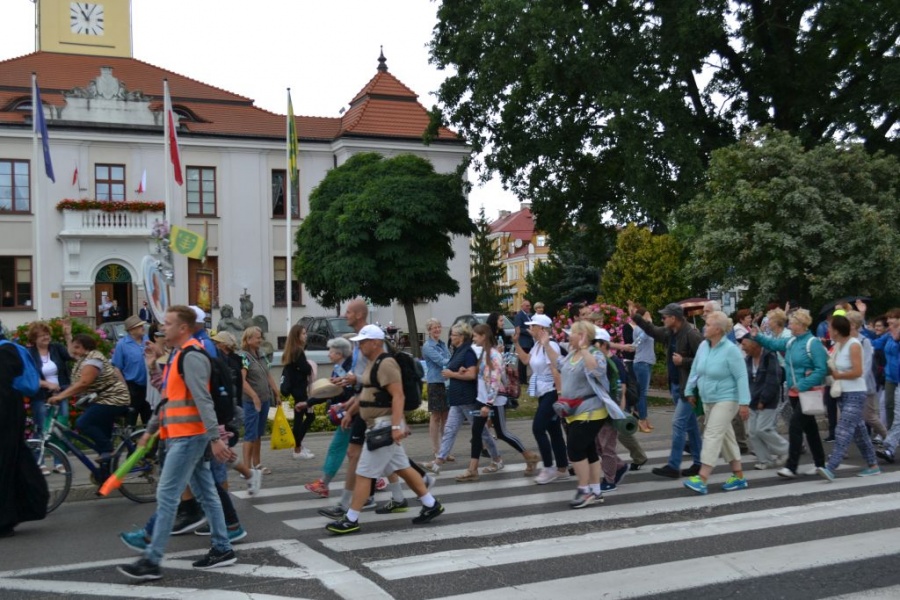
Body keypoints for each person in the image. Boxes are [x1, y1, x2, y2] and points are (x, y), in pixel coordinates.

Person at [117, 305, 236, 581]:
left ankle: (152, 560)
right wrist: (151, 429)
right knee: (206, 493)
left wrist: (214, 438)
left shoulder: (191, 356)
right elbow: (168, 398)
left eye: (168, 323)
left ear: (183, 328)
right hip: (182, 435)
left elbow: (203, 400)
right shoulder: (178, 355)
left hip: (188, 437)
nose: (162, 328)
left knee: (167, 495)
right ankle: (222, 547)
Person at [325, 325, 444, 534]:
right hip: (378, 424)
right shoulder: (374, 362)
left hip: (383, 426)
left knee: (363, 473)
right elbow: (369, 392)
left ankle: (351, 519)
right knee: (403, 467)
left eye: (363, 342)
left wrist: (397, 426)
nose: (359, 346)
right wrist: (351, 408)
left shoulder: (386, 363)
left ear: (376, 342)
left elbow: (398, 396)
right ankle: (430, 503)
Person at [750, 308, 829, 478]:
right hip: (794, 392)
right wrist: (757, 336)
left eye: (792, 323)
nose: (789, 326)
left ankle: (791, 466)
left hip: (807, 392)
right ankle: (820, 464)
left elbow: (821, 369)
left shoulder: (812, 343)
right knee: (811, 429)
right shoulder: (792, 341)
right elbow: (773, 344)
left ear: (801, 325)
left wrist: (803, 384)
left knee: (795, 426)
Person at [456, 324, 539, 481]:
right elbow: (483, 374)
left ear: (484, 337)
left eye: (476, 336)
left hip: (494, 401)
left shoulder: (494, 355)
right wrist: (465, 370)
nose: (473, 338)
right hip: (482, 399)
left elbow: (495, 381)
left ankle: (529, 455)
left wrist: (488, 404)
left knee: (502, 433)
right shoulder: (484, 353)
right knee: (476, 432)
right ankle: (473, 469)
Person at [631, 302, 704, 479]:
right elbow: (652, 330)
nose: (662, 319)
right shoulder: (670, 332)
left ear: (674, 318)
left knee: (678, 423)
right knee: (691, 426)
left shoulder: (692, 334)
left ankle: (673, 465)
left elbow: (704, 360)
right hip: (676, 385)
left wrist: (683, 361)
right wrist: (636, 317)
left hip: (689, 389)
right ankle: (699, 462)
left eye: (665, 316)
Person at [681, 311, 751, 495]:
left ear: (718, 329)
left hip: (727, 398)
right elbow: (695, 369)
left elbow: (741, 376)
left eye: (708, 324)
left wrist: (744, 403)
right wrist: (689, 390)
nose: (704, 327)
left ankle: (702, 477)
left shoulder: (731, 350)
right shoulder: (703, 346)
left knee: (712, 434)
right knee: (726, 438)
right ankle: (739, 476)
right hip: (708, 399)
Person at [48, 332, 131, 483]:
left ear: (86, 347)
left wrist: (61, 397)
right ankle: (105, 477)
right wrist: (60, 390)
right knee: (102, 439)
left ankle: (108, 449)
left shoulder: (94, 360)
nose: (74, 351)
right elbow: (76, 382)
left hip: (114, 399)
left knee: (83, 423)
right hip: (102, 399)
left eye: (77, 347)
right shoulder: (84, 359)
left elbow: (84, 383)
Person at [424, 322, 500, 475]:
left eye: (453, 335)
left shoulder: (467, 352)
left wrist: (452, 374)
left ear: (461, 337)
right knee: (450, 429)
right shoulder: (458, 351)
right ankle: (439, 461)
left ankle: (497, 458)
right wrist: (456, 372)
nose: (450, 337)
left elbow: (471, 374)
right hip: (457, 399)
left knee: (482, 432)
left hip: (467, 398)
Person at [548, 321, 608, 508]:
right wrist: (545, 345)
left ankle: (584, 490)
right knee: (588, 450)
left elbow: (597, 370)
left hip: (591, 411)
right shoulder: (572, 354)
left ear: (582, 336)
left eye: (571, 334)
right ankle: (596, 491)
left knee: (574, 449)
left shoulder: (595, 353)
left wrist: (584, 349)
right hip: (574, 411)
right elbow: (558, 364)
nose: (568, 337)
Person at [817, 315, 881, 481]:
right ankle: (873, 465)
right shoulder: (838, 345)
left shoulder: (853, 345)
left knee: (843, 429)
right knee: (859, 432)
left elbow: (858, 371)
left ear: (837, 330)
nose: (828, 330)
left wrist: (838, 375)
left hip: (855, 393)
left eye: (830, 328)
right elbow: (833, 367)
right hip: (843, 393)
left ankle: (831, 467)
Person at [0, 340, 49, 537]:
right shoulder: (9, 349)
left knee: (7, 464)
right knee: (12, 462)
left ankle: (5, 519)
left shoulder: (6, 350)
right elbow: (24, 385)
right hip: (9, 412)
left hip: (6, 413)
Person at [515, 313, 569, 483]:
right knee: (553, 430)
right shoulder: (537, 345)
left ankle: (548, 467)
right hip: (543, 391)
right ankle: (562, 467)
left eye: (533, 326)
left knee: (538, 428)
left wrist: (560, 395)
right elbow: (526, 360)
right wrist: (516, 343)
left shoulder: (550, 345)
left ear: (542, 329)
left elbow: (555, 371)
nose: (530, 328)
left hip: (551, 391)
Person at [305, 337, 355, 497]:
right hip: (350, 413)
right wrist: (309, 403)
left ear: (339, 354)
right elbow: (333, 391)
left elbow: (347, 393)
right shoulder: (339, 367)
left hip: (351, 414)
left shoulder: (350, 368)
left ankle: (324, 484)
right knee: (363, 451)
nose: (328, 354)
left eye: (331, 352)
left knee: (337, 448)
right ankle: (377, 480)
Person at [26, 321, 74, 467]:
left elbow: (72, 355)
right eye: (42, 335)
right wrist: (47, 384)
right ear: (34, 338)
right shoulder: (29, 353)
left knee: (60, 427)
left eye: (47, 334)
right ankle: (39, 462)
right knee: (42, 427)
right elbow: (29, 376)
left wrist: (68, 336)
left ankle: (59, 462)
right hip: (41, 396)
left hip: (60, 394)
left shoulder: (56, 348)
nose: (46, 337)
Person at [740, 332, 789, 470]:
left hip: (768, 401)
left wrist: (763, 400)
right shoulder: (748, 359)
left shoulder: (769, 357)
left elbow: (773, 380)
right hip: (752, 400)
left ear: (754, 344)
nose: (742, 347)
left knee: (763, 429)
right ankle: (765, 460)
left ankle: (786, 450)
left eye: (744, 344)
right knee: (753, 432)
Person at [240, 326, 280, 475]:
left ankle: (257, 463)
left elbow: (268, 375)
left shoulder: (261, 355)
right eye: (257, 337)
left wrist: (276, 393)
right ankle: (246, 468)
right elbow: (242, 381)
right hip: (251, 402)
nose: (260, 340)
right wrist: (254, 396)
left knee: (258, 434)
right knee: (250, 434)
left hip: (264, 400)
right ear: (248, 339)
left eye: (260, 337)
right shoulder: (243, 357)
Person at [281, 323, 317, 460]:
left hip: (296, 389)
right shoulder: (297, 351)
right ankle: (297, 448)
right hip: (299, 389)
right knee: (307, 417)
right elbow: (305, 369)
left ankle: (298, 446)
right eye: (303, 333)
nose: (306, 336)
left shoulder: (292, 350)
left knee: (301, 417)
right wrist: (309, 365)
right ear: (297, 336)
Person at [111, 315, 151, 426]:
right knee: (130, 420)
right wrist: (125, 388)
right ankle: (129, 437)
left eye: (142, 325)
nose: (143, 328)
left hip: (149, 386)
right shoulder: (122, 344)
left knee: (149, 420)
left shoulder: (147, 340)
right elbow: (117, 368)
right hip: (132, 387)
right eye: (139, 326)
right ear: (131, 330)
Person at [422, 318, 451, 460]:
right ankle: (436, 450)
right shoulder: (428, 346)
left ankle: (444, 451)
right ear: (429, 330)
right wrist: (457, 360)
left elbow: (448, 358)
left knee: (446, 416)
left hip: (446, 382)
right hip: (435, 383)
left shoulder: (443, 344)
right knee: (435, 416)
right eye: (434, 328)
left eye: (439, 327)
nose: (437, 330)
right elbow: (442, 361)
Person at [513, 299, 534, 387]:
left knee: (526, 361)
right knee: (522, 361)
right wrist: (528, 331)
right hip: (523, 341)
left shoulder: (529, 315)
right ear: (522, 306)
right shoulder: (519, 316)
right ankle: (522, 380)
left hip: (529, 341)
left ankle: (524, 379)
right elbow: (518, 329)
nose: (529, 307)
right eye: (527, 306)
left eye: (529, 305)